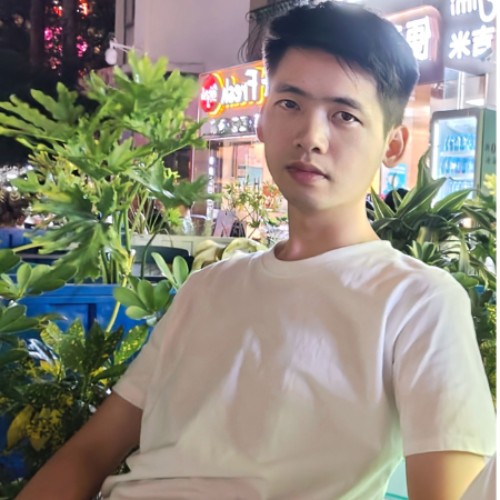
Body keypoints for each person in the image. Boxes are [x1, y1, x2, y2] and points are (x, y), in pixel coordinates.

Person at [17, 3, 495, 499]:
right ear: (263, 119)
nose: (310, 137)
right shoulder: (206, 289)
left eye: (344, 115)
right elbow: (90, 452)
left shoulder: (418, 302)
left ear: (392, 145)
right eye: (290, 104)